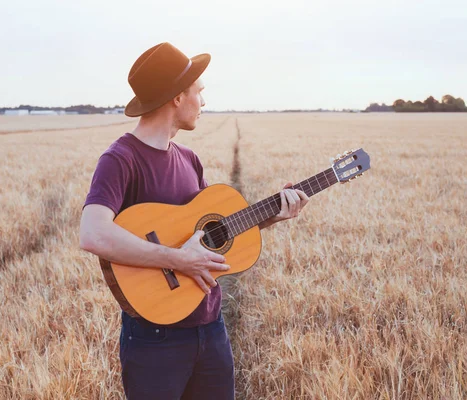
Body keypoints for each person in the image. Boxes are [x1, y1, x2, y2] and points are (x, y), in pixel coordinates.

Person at [79, 42, 310, 400]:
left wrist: (273, 216)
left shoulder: (189, 159)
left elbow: (210, 234)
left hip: (210, 328)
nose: (203, 101)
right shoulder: (120, 159)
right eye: (199, 92)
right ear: (176, 97)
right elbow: (93, 233)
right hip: (155, 340)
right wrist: (177, 259)